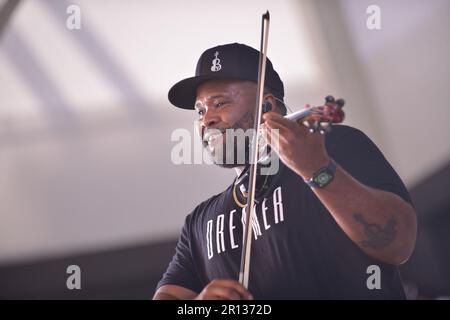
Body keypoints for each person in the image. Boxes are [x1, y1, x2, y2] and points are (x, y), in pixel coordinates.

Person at [153, 43, 417, 300]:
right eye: (200, 111)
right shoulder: (199, 223)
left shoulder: (333, 146)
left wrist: (317, 169)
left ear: (266, 106)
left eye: (220, 103)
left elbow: (398, 244)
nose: (206, 119)